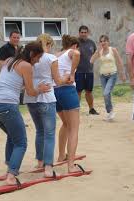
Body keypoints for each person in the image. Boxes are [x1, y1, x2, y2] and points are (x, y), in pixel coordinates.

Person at [0, 42, 50, 185]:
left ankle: (9, 169)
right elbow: (30, 92)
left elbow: (14, 82)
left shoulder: (10, 60)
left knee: (12, 135)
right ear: (32, 55)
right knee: (21, 142)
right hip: (7, 105)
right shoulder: (27, 66)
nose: (39, 60)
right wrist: (40, 89)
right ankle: (11, 176)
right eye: (39, 57)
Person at [23, 34, 70, 177]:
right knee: (49, 133)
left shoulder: (29, 57)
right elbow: (57, 80)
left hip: (31, 97)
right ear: (49, 44)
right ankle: (48, 167)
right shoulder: (51, 58)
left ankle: (40, 161)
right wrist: (67, 78)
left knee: (40, 131)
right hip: (46, 97)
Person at [54, 34, 83, 173]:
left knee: (65, 124)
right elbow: (76, 53)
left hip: (56, 92)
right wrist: (72, 74)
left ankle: (61, 156)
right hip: (67, 90)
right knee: (74, 128)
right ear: (74, 45)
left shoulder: (56, 54)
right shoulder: (71, 51)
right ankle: (71, 166)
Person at [90, 35, 126, 120]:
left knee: (106, 93)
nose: (103, 43)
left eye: (104, 41)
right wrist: (97, 51)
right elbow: (91, 61)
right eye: (101, 41)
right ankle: (110, 113)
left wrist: (122, 73)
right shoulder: (100, 51)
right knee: (106, 94)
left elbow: (120, 61)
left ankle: (110, 111)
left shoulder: (112, 50)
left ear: (108, 42)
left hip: (112, 75)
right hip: (103, 76)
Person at [75, 25, 99, 115]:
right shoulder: (75, 43)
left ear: (87, 33)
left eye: (85, 32)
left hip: (89, 71)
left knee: (89, 91)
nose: (83, 34)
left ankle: (91, 109)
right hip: (78, 72)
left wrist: (92, 62)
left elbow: (96, 53)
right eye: (82, 32)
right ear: (79, 33)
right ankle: (76, 110)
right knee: (78, 91)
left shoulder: (91, 43)